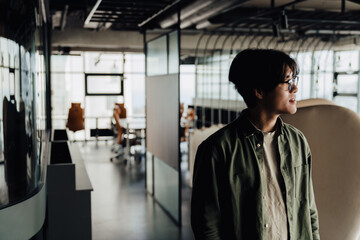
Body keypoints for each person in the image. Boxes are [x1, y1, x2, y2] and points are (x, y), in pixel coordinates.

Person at [191, 49, 320, 240]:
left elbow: (309, 209)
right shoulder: (217, 149)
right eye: (287, 83)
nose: (295, 89)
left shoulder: (298, 141)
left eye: (295, 80)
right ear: (259, 91)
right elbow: (207, 224)